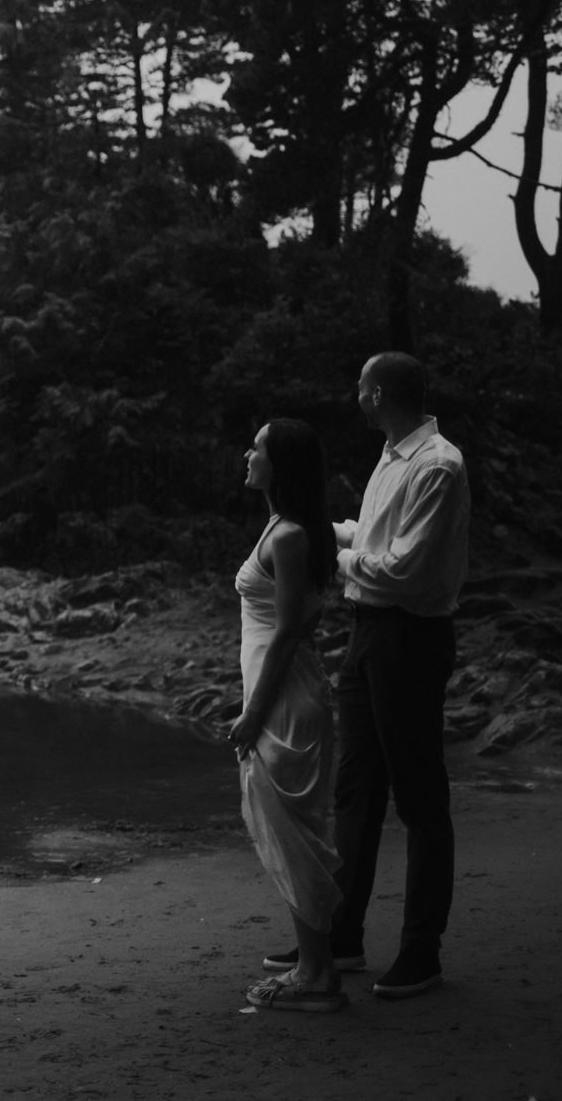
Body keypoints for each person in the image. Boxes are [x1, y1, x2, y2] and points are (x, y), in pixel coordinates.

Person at [262, 351, 470, 1000]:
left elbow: (401, 567)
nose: (354, 395)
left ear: (379, 392)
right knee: (355, 790)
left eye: (360, 386)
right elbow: (373, 537)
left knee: (418, 795)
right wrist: (324, 533)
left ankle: (420, 950)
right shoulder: (394, 452)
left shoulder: (438, 463)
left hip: (409, 634)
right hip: (371, 631)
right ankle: (341, 933)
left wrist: (331, 556)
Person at [229, 419, 346, 1012]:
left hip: (286, 704)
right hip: (280, 697)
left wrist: (252, 714)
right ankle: (314, 967)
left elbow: (287, 632)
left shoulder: (292, 536)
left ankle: (318, 976)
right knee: (294, 834)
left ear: (281, 466)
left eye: (258, 449)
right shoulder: (284, 529)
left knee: (299, 837)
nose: (248, 455)